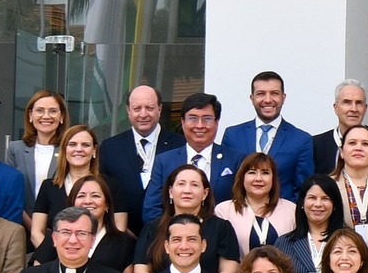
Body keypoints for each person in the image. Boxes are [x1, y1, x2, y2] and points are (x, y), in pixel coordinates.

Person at [134, 163, 242, 273]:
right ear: (170, 191)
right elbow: (140, 272)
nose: (187, 190)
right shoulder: (153, 228)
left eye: (194, 185)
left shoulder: (221, 227)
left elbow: (230, 271)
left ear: (205, 193)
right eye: (181, 184)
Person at [142, 92, 240, 224]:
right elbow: (152, 209)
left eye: (207, 118)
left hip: (220, 233)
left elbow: (242, 205)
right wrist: (178, 231)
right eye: (193, 118)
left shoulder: (235, 159)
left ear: (217, 122)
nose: (199, 125)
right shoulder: (164, 161)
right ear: (183, 122)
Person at [98, 85, 181, 232]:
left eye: (149, 108)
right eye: (137, 108)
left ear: (160, 109)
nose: (143, 114)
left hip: (169, 232)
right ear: (128, 111)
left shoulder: (179, 145)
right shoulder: (110, 147)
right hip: (122, 234)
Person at [221, 69, 315, 194]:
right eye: (261, 94)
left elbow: (304, 189)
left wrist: (284, 206)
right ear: (252, 98)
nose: (268, 100)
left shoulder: (301, 140)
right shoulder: (232, 136)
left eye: (274, 93)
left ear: (283, 97)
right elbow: (225, 182)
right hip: (240, 206)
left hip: (283, 206)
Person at [32, 176, 136, 273]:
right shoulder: (58, 235)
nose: (88, 201)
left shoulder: (123, 242)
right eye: (81, 196)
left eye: (95, 196)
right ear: (72, 203)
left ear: (107, 205)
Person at [28, 123, 107, 245]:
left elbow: (118, 231)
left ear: (94, 150)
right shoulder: (49, 187)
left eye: (85, 145)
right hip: (54, 255)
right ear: (64, 150)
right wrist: (56, 255)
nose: (79, 149)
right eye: (72, 144)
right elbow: (36, 233)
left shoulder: (109, 185)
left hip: (101, 255)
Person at [275, 175, 347, 273]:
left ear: (334, 205)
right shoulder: (284, 243)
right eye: (312, 198)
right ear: (302, 203)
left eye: (325, 198)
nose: (318, 204)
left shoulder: (349, 241)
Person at [218, 153, 295, 251]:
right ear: (242, 177)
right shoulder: (224, 211)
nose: (258, 178)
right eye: (252, 172)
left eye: (265, 173)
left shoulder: (291, 210)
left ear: (273, 178)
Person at [4, 89, 67, 201]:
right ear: (30, 115)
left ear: (61, 116)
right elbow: (9, 189)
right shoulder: (16, 149)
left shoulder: (69, 149)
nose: (46, 116)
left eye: (53, 111)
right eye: (40, 110)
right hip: (22, 212)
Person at [330, 123, 368, 231]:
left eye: (365, 144)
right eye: (352, 143)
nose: (358, 148)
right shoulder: (327, 186)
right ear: (341, 152)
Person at [312, 78, 368, 176]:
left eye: (359, 103)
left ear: (365, 108)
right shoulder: (315, 145)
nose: (353, 109)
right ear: (336, 107)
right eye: (347, 102)